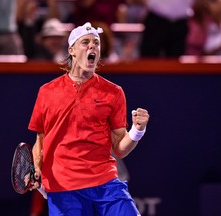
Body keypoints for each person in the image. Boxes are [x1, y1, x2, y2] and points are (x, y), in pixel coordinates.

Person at [28, 22, 150, 216]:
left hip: (105, 183)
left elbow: (120, 148)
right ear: (72, 50)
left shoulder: (114, 93)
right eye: (85, 42)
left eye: (96, 43)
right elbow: (40, 142)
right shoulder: (46, 92)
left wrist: (137, 131)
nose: (92, 46)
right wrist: (37, 169)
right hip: (64, 187)